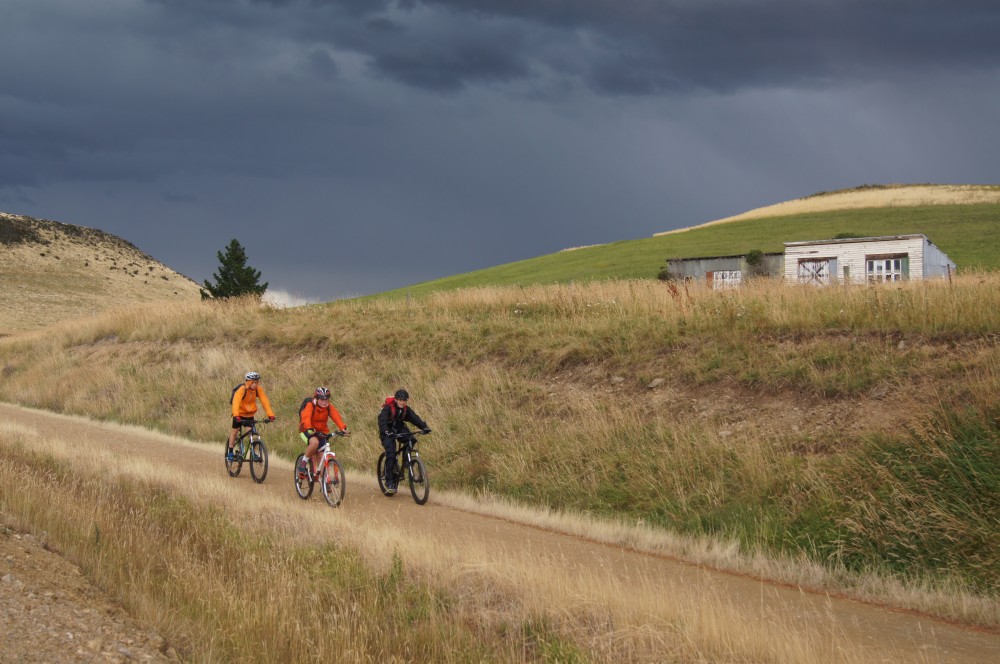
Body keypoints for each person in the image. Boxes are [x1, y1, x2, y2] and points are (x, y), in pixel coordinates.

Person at [378, 388, 430, 494]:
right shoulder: (388, 408)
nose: (403, 402)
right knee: (391, 453)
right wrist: (387, 431)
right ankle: (390, 482)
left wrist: (424, 427)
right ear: (396, 400)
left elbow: (415, 418)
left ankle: (407, 461)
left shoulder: (406, 409)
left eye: (404, 400)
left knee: (412, 439)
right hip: (387, 431)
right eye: (400, 400)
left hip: (399, 428)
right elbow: (382, 420)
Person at [297, 387, 350, 479]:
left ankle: (325, 484)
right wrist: (309, 428)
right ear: (316, 399)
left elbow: (336, 417)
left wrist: (343, 428)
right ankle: (304, 462)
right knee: (315, 443)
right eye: (322, 399)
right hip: (306, 430)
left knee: (321, 461)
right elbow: (306, 417)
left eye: (326, 399)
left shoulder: (328, 407)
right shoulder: (310, 405)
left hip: (321, 433)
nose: (324, 402)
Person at [227, 371, 276, 461]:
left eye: (256, 382)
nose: (254, 384)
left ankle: (252, 453)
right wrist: (236, 415)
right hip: (239, 414)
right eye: (253, 382)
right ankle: (230, 451)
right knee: (234, 432)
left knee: (251, 434)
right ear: (248, 382)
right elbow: (236, 402)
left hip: (249, 415)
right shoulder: (242, 389)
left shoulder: (258, 389)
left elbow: (265, 401)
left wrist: (271, 415)